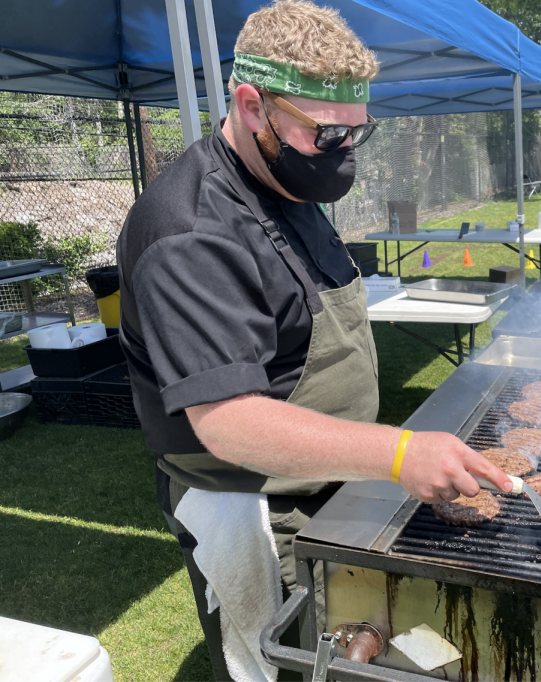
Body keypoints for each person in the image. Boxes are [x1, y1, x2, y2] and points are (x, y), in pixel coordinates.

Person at [116, 2, 511, 678]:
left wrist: (370, 460)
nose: (344, 154)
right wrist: (397, 451)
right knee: (294, 666)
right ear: (250, 105)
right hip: (260, 510)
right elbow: (230, 423)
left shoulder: (287, 187)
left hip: (333, 482)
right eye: (326, 134)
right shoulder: (190, 235)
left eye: (358, 133)